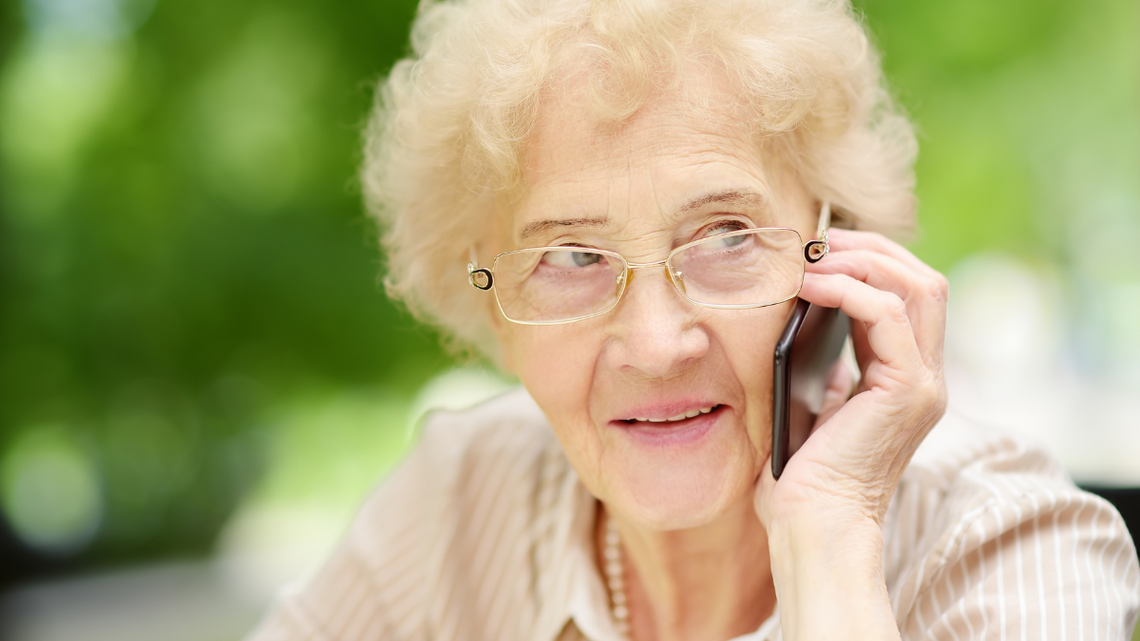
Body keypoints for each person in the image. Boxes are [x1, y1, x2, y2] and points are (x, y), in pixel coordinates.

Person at [248, 0, 1140, 639]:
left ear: (835, 248)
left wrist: (829, 543)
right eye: (572, 257)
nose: (656, 343)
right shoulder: (461, 494)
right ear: (491, 299)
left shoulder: (1012, 546)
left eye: (726, 235)